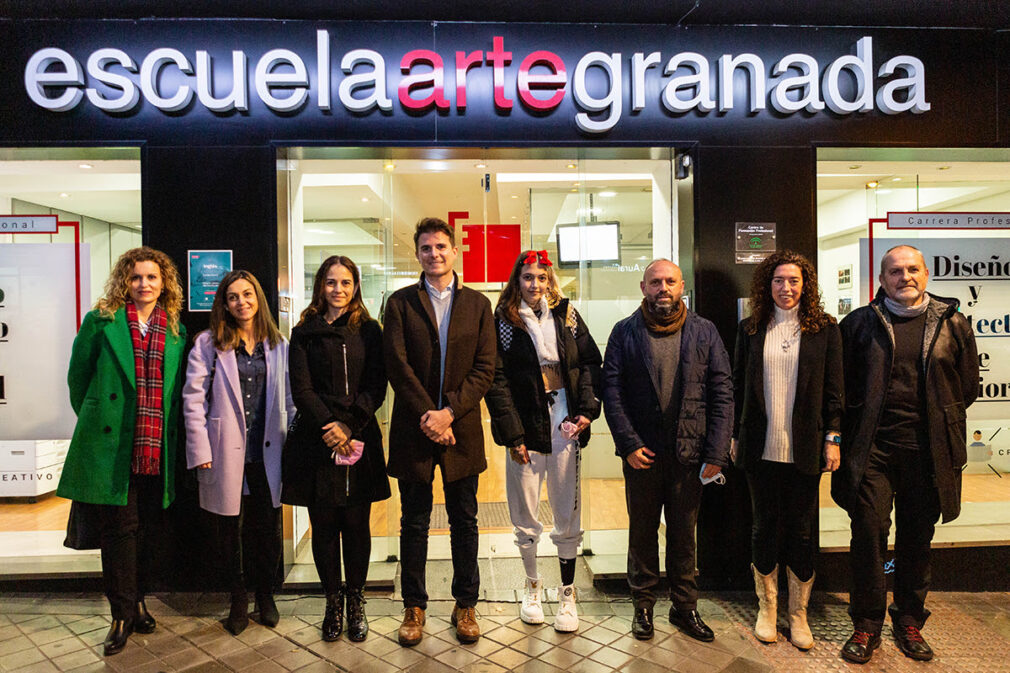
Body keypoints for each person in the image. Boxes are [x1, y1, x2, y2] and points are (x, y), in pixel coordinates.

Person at [832, 244, 978, 664]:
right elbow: (840, 390)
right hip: (872, 451)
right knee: (868, 535)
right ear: (881, 279)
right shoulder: (860, 324)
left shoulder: (955, 325)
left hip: (929, 453)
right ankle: (866, 625)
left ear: (926, 275)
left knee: (917, 539)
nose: (905, 277)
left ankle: (909, 621)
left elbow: (965, 389)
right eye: (895, 271)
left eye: (912, 269)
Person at [57, 247, 187, 656]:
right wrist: (99, 420)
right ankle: (120, 614)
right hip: (113, 444)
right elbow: (77, 379)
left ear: (163, 282)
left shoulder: (175, 330)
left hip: (155, 444)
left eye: (152, 277)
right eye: (136, 278)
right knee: (119, 531)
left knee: (147, 529)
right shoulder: (101, 321)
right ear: (124, 282)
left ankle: (139, 602)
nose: (144, 285)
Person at [602, 259, 733, 642]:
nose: (663, 288)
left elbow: (723, 392)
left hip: (690, 455)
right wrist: (628, 443)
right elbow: (612, 392)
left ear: (682, 286)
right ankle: (642, 608)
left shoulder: (705, 332)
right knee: (642, 534)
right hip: (642, 454)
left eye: (670, 281)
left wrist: (717, 453)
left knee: (683, 535)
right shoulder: (624, 332)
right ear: (643, 287)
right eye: (655, 281)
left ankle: (684, 608)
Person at [383, 217, 496, 646]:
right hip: (415, 428)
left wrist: (449, 413)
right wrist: (430, 416)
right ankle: (414, 606)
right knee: (414, 521)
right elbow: (396, 365)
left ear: (455, 251)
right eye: (426, 248)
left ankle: (466, 603)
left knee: (464, 521)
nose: (434, 254)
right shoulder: (399, 303)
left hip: (461, 428)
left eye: (441, 246)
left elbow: (486, 368)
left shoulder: (478, 305)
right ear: (418, 254)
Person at [484, 249, 602, 632]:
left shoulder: (566, 314)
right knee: (525, 513)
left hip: (565, 421)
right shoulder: (503, 321)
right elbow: (495, 381)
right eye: (528, 277)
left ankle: (567, 593)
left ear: (550, 280)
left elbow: (589, 363)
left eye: (542, 277)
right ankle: (532, 586)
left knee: (567, 510)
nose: (535, 284)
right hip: (526, 426)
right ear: (516, 281)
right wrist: (511, 432)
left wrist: (586, 409)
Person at [731, 251, 843, 650]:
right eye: (779, 280)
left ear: (806, 286)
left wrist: (834, 438)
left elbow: (835, 390)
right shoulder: (750, 328)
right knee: (763, 526)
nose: (787, 288)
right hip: (760, 447)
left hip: (806, 448)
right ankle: (767, 609)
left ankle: (798, 615)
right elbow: (737, 385)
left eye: (794, 281)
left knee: (800, 530)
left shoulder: (825, 330)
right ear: (767, 285)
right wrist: (733, 435)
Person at [282, 255, 389, 642]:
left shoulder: (370, 330)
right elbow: (301, 388)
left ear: (356, 286)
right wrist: (329, 426)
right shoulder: (304, 331)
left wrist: (350, 424)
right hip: (317, 439)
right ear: (320, 286)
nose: (338, 290)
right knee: (324, 525)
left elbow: (377, 384)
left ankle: (356, 599)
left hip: (360, 434)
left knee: (357, 525)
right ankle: (332, 600)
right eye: (331, 282)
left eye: (345, 282)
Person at [183, 270, 296, 635]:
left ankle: (265, 594)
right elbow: (193, 399)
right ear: (224, 304)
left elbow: (290, 400)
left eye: (247, 294)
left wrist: (294, 442)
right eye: (233, 297)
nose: (241, 302)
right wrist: (199, 448)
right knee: (229, 529)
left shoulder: (278, 344)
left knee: (267, 528)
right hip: (224, 451)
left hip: (269, 451)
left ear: (258, 298)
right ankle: (237, 597)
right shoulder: (208, 343)